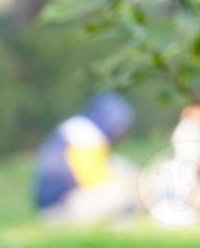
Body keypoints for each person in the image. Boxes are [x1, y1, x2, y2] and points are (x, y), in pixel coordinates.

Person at [34, 92, 139, 224]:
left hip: (57, 206)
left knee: (119, 166)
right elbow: (92, 180)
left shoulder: (76, 128)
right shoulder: (85, 136)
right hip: (60, 210)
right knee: (122, 194)